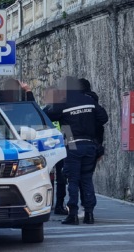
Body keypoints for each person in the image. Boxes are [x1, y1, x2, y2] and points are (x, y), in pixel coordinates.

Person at [43, 76, 108, 225]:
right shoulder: (89, 100)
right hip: (90, 144)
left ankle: (72, 214)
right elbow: (103, 118)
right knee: (86, 179)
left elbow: (48, 115)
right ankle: (89, 214)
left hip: (73, 143)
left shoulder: (63, 103)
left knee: (72, 179)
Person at [43, 85, 68, 215]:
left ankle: (56, 203)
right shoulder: (61, 110)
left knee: (60, 178)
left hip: (56, 147)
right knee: (54, 177)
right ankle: (54, 203)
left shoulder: (45, 111)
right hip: (53, 147)